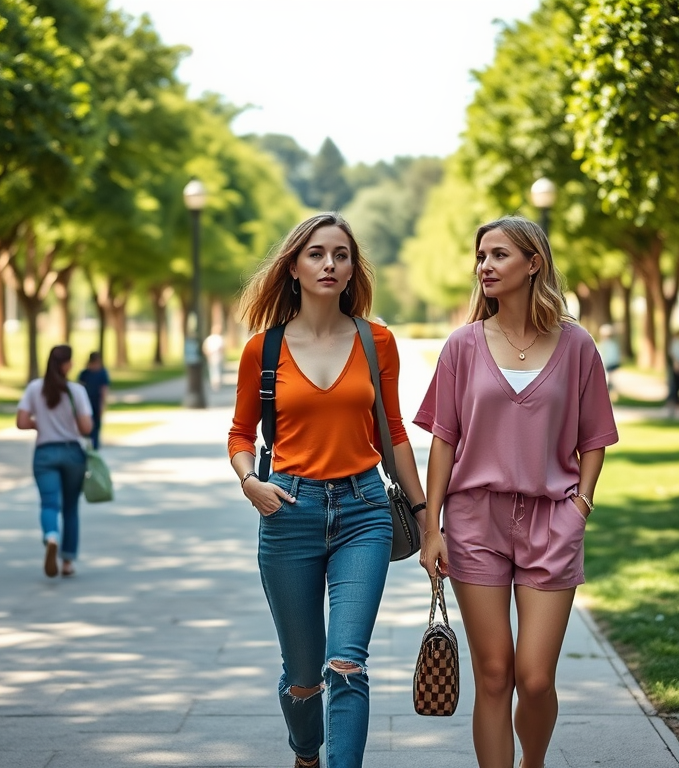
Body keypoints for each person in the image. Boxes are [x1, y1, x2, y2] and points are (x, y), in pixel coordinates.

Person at [415, 216, 618, 768]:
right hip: (475, 521)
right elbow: (443, 440)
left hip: (553, 520)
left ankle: (534, 762)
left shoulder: (577, 346)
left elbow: (596, 435)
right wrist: (431, 528)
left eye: (499, 255)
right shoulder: (462, 346)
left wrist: (581, 504)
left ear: (534, 264)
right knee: (495, 673)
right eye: (480, 256)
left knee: (534, 677)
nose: (485, 266)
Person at [227, 212, 427, 768]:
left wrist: (425, 515)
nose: (329, 264)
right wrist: (251, 483)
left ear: (351, 268)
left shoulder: (376, 340)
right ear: (293, 266)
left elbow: (393, 433)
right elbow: (241, 435)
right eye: (316, 253)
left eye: (341, 254)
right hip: (289, 512)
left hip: (365, 511)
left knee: (346, 664)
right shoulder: (261, 351)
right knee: (301, 677)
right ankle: (306, 751)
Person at [17, 345, 94, 578]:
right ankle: (68, 561)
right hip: (72, 454)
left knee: (49, 503)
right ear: (67, 364)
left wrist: (38, 423)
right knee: (70, 508)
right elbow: (86, 428)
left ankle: (51, 535)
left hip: (45, 454)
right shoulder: (76, 392)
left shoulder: (34, 388)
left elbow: (21, 421)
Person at [77, 351, 110, 449]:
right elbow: (79, 387)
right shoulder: (84, 373)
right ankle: (88, 444)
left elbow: (104, 390)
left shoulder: (102, 373)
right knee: (86, 424)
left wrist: (103, 405)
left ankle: (95, 445)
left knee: (96, 425)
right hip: (86, 402)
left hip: (96, 402)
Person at [597, 323, 622, 395]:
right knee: (608, 379)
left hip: (610, 364)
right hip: (607, 364)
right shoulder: (604, 344)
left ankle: (611, 392)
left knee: (609, 379)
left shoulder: (609, 345)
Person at [203, 325, 226, 392]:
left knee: (217, 370)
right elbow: (205, 348)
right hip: (212, 356)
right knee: (213, 370)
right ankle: (214, 383)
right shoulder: (210, 339)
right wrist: (208, 353)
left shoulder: (219, 338)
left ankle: (216, 383)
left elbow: (222, 348)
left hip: (217, 356)